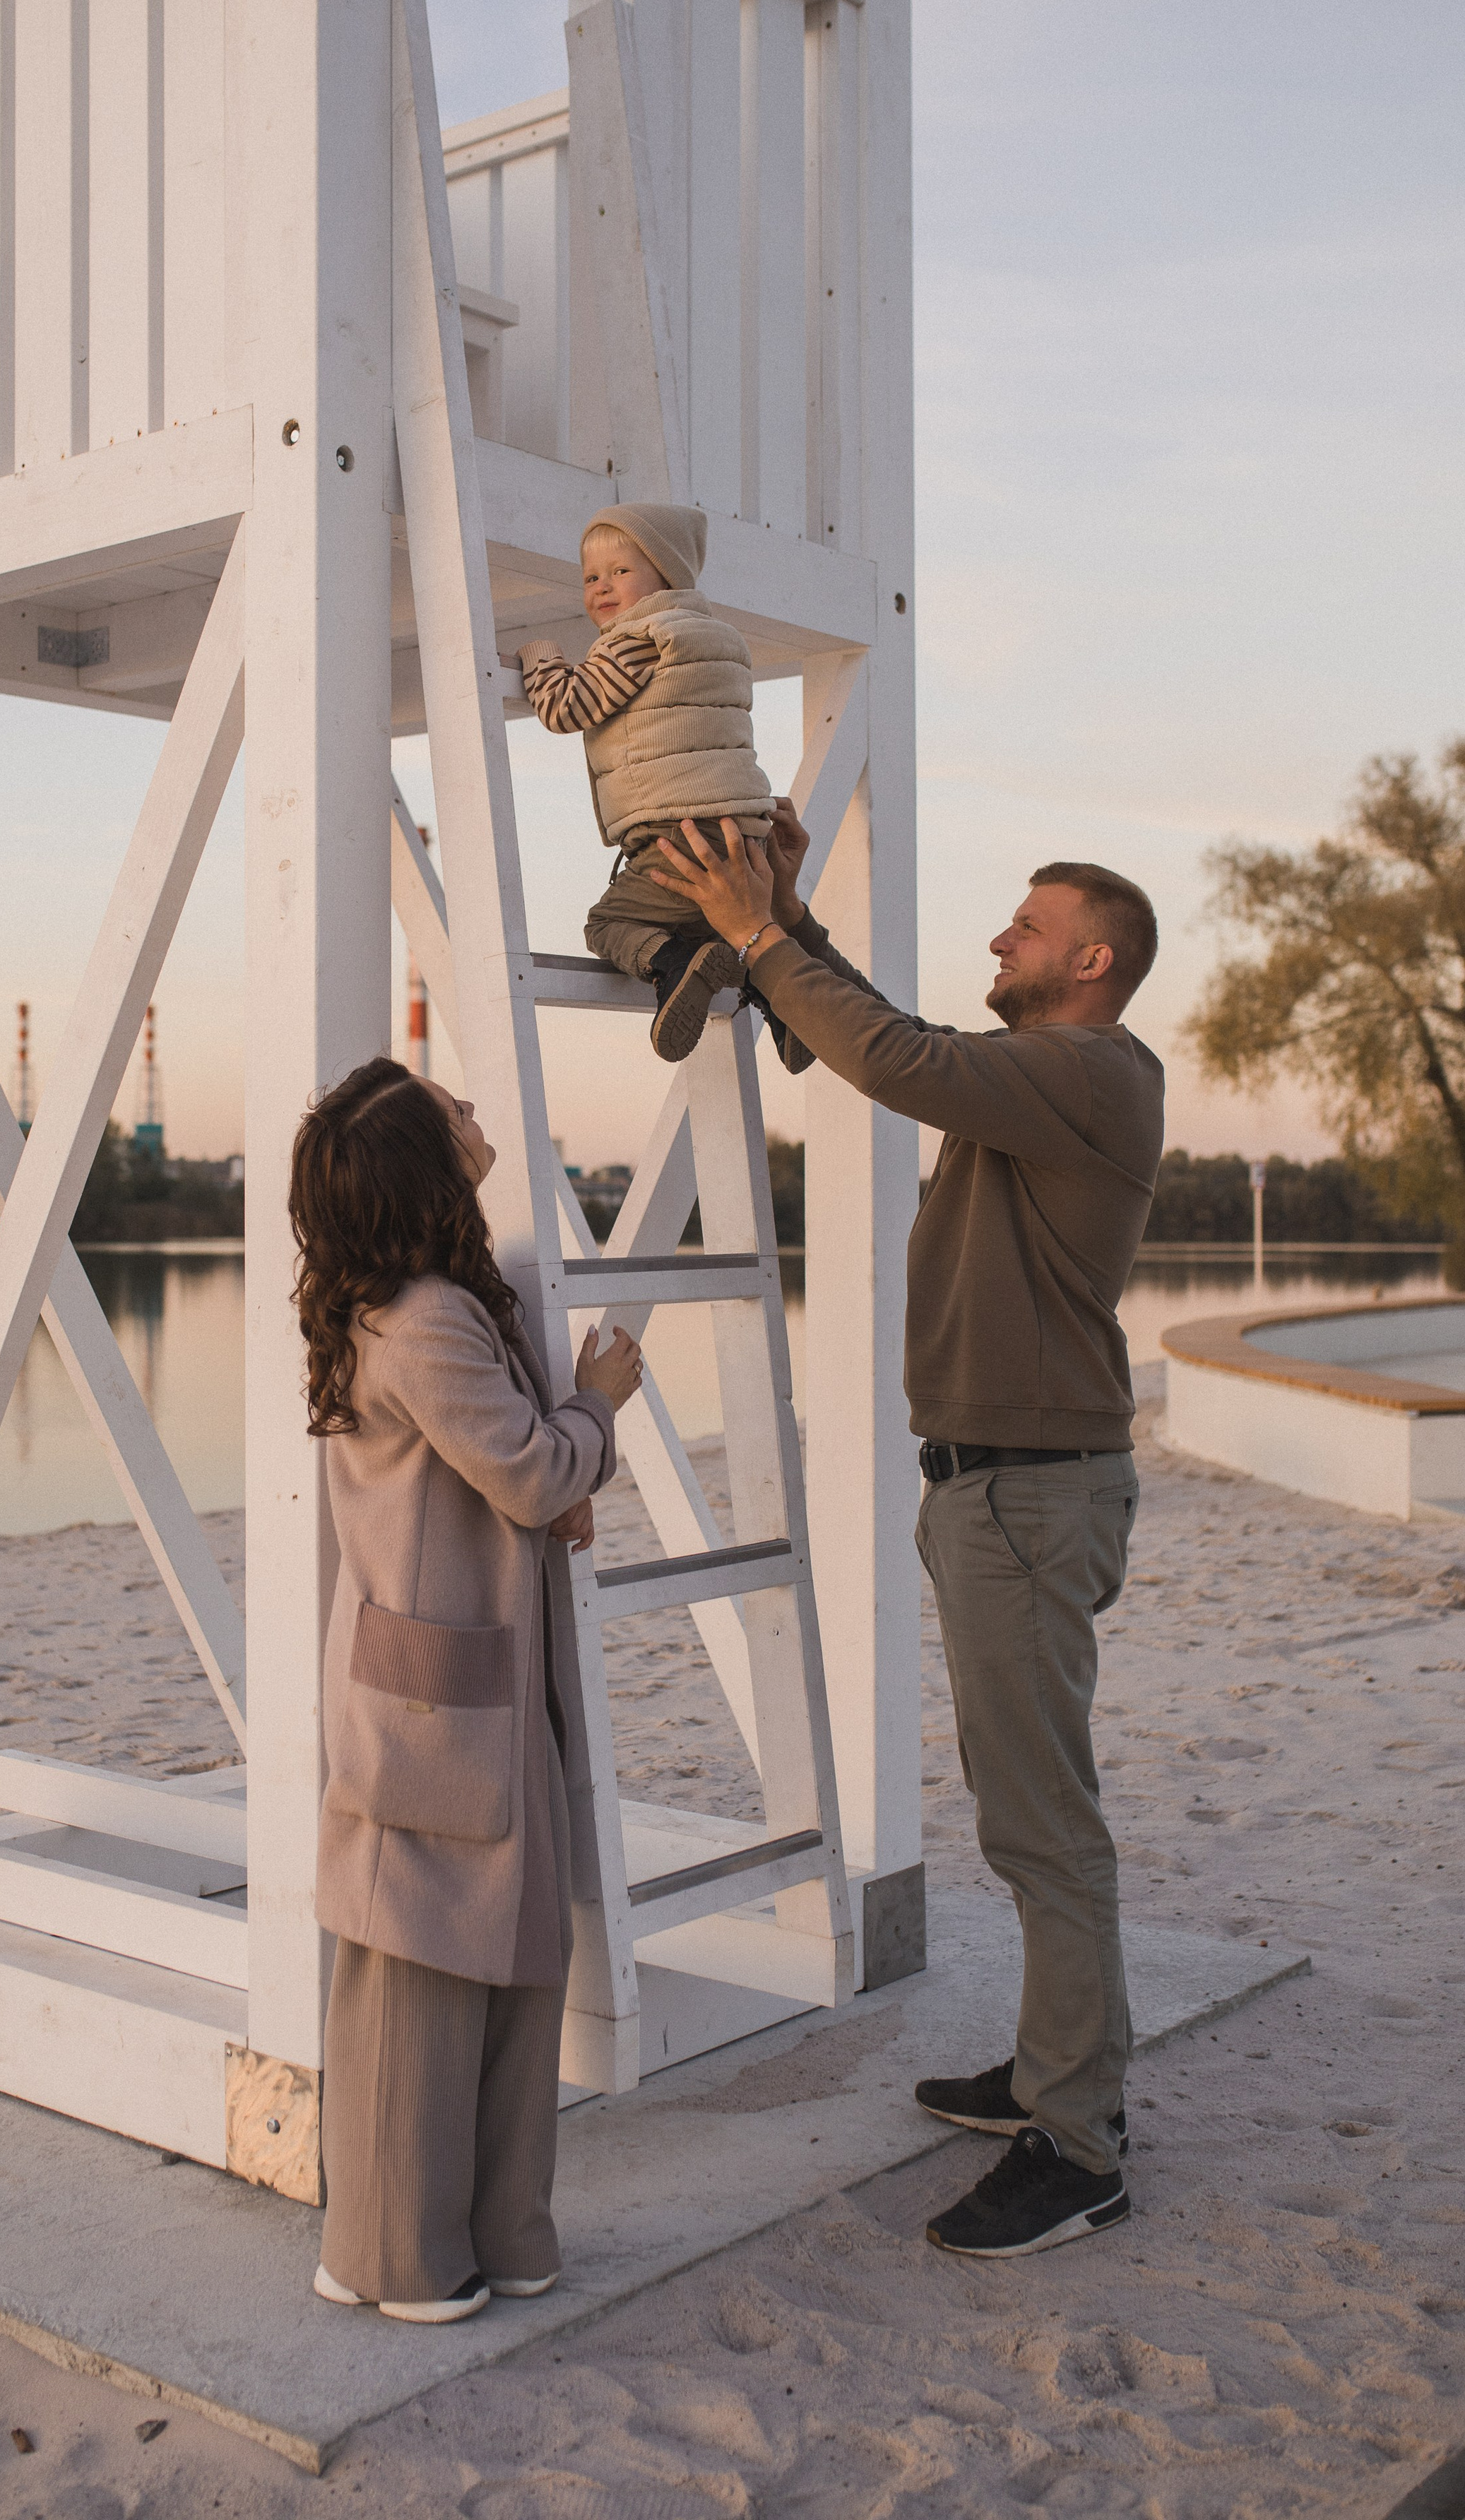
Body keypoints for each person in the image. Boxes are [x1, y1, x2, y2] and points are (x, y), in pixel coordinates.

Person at [651, 805, 1165, 2260]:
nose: (1000, 935)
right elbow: (874, 1039)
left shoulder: (1087, 1072)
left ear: (1088, 958)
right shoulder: (1032, 1078)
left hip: (1024, 1493)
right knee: (1036, 1817)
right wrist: (787, 924)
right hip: (997, 1488)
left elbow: (891, 1057)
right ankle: (1061, 2078)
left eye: (1025, 922)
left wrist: (759, 938)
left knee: (1040, 1829)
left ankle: (1076, 2146)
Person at [290, 1057, 643, 2323]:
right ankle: (390, 2257)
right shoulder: (426, 1315)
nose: (477, 1113)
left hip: (466, 1674)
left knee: (505, 1952)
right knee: (419, 1969)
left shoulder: (409, 1305)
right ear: (425, 1169)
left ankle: (502, 2233)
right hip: (432, 1689)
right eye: (454, 1112)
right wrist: (596, 1416)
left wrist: (554, 1475)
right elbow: (535, 1476)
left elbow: (508, 1477)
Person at [508, 503, 810, 1071]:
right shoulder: (722, 640)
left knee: (610, 924)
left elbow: (566, 706)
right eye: (590, 577)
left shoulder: (639, 638)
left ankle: (673, 962)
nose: (602, 587)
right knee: (722, 925)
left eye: (620, 571)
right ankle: (782, 1000)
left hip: (682, 832)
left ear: (666, 577)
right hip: (746, 832)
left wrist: (540, 657)